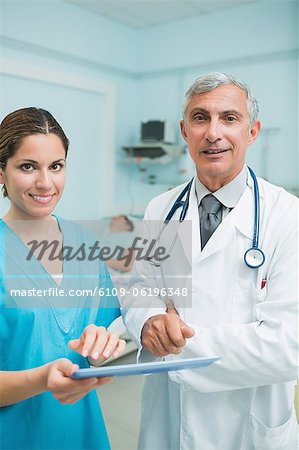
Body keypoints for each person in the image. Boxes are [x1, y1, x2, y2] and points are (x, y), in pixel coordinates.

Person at [122, 72, 298, 450]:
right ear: (185, 131)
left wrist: (180, 350)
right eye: (200, 118)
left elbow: (289, 343)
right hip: (167, 417)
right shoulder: (162, 208)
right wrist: (148, 321)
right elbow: (139, 290)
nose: (213, 132)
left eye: (229, 118)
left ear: (252, 132)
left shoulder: (287, 216)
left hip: (248, 423)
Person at [0, 107, 126, 450]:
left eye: (56, 166)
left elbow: (108, 332)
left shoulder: (83, 241)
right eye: (28, 166)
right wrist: (42, 378)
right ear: (1, 172)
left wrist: (106, 347)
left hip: (83, 432)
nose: (45, 182)